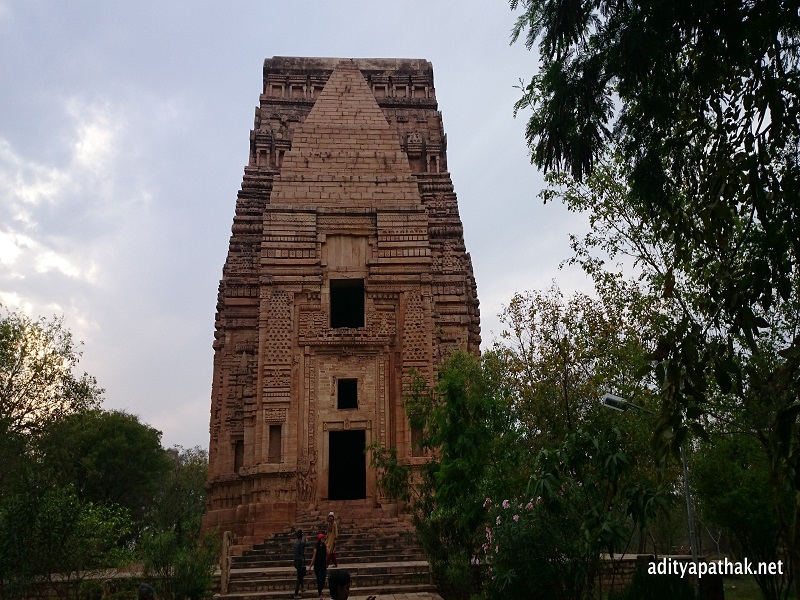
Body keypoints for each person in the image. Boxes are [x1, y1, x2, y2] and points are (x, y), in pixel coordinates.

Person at [293, 529, 311, 598]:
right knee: (299, 578)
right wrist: (306, 540)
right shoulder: (302, 543)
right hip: (300, 561)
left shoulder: (295, 543)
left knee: (300, 575)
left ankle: (302, 587)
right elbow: (309, 544)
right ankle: (296, 594)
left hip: (296, 561)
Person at [309, 533, 327, 600]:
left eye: (323, 538)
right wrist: (310, 566)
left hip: (323, 566)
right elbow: (313, 557)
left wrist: (326, 545)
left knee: (323, 580)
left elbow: (328, 553)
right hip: (317, 567)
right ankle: (320, 595)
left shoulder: (324, 546)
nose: (323, 539)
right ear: (319, 539)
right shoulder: (316, 548)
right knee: (319, 580)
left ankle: (320, 591)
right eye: (322, 538)